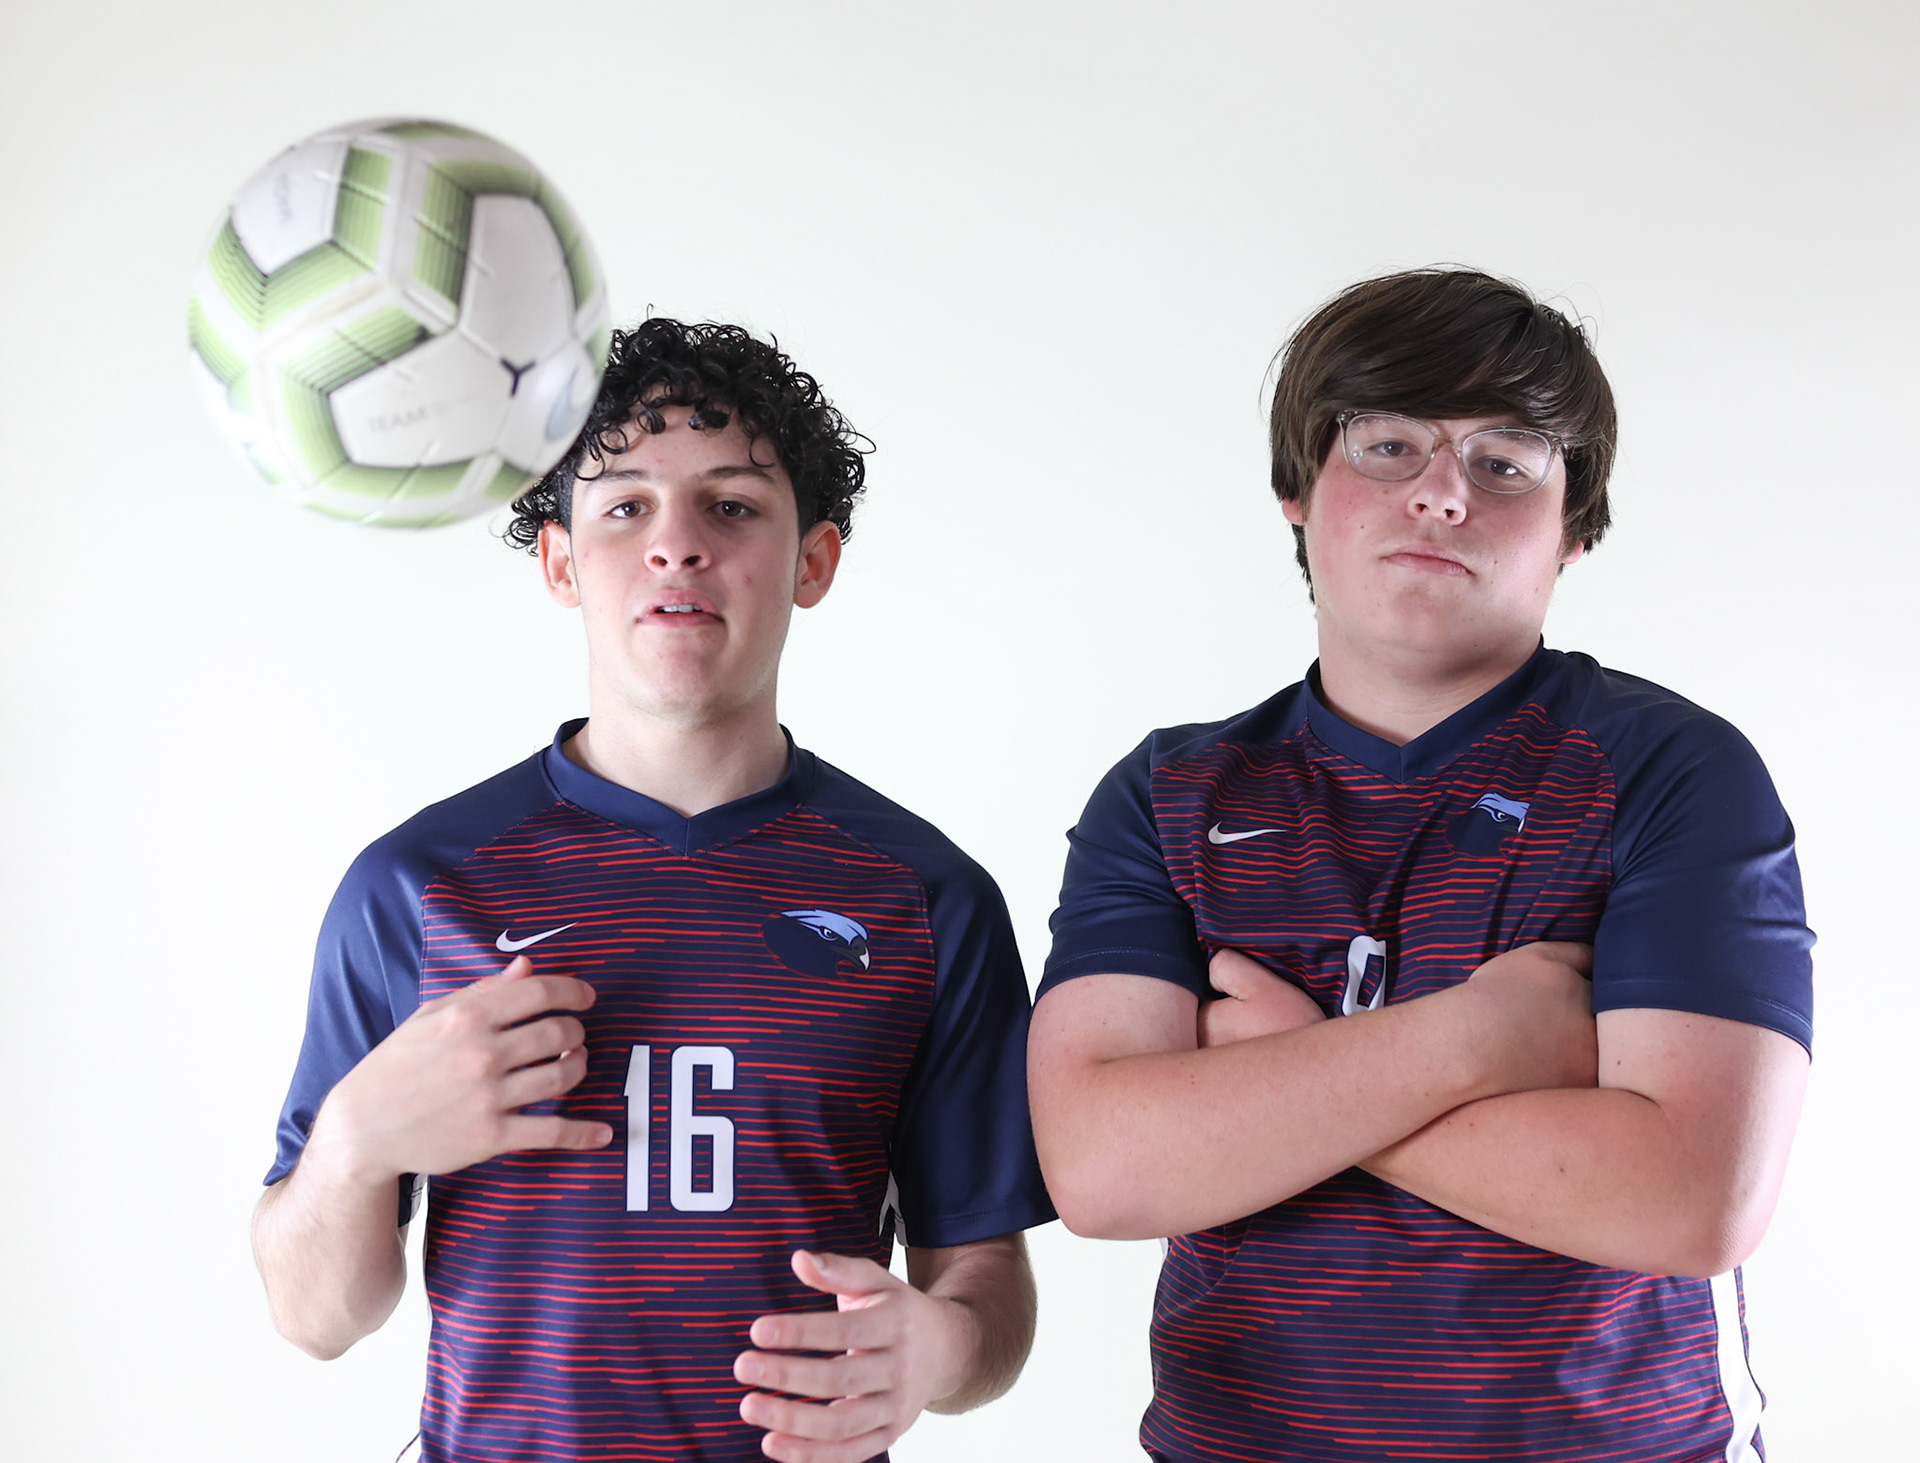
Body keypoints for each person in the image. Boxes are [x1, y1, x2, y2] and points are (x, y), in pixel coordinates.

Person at [1028, 268, 1813, 1463]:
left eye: (1507, 462)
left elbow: (1691, 1197)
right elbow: (1103, 1167)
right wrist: (1480, 1042)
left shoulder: (1669, 771)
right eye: (1390, 444)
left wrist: (1282, 1077)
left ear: (1576, 528)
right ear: (1297, 492)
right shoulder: (1169, 796)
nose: (1445, 494)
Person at [254, 318, 1053, 1463]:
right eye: (624, 505)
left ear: (812, 559)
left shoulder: (927, 897)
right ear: (562, 560)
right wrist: (352, 1145)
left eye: (731, 505)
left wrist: (943, 1347)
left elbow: (985, 1280)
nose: (676, 544)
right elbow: (313, 1315)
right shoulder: (417, 887)